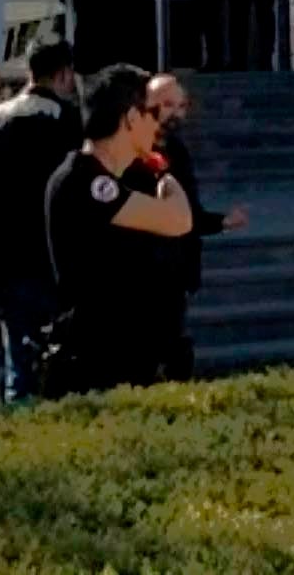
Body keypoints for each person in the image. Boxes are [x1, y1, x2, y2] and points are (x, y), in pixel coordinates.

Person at [43, 63, 192, 395]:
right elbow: (178, 219)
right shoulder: (87, 180)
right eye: (152, 112)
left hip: (126, 356)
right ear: (130, 118)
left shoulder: (107, 177)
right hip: (99, 363)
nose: (159, 125)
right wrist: (165, 176)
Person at [0, 38, 84, 404]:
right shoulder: (68, 122)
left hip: (6, 259)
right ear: (64, 75)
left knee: (19, 361)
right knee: (62, 362)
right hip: (55, 258)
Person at [123, 74, 248, 380]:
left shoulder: (177, 151)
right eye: (166, 105)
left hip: (175, 271)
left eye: (181, 106)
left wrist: (221, 222)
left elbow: (189, 212)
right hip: (139, 274)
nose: (175, 114)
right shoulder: (127, 151)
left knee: (172, 352)